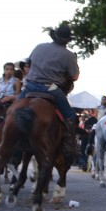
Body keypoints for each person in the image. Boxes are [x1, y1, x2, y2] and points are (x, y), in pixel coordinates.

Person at [20, 22, 80, 164]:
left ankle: (7, 136)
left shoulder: (39, 47)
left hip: (30, 86)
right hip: (50, 88)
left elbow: (29, 63)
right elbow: (74, 77)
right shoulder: (69, 55)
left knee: (12, 110)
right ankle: (69, 145)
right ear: (67, 40)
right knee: (70, 116)